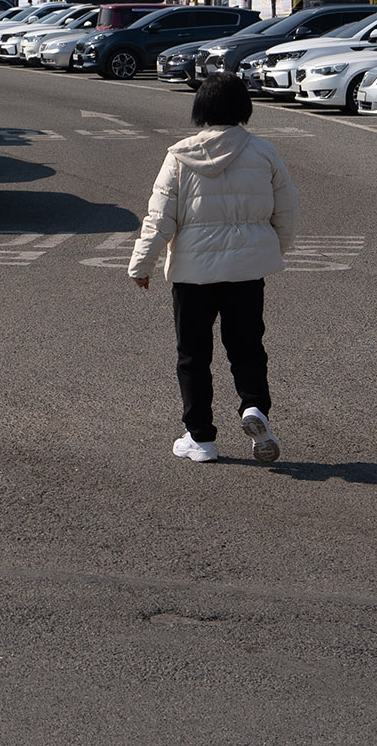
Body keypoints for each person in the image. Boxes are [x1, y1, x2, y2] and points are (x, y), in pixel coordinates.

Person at [126, 76, 297, 463]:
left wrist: (143, 263)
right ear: (244, 109)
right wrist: (268, 249)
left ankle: (201, 438)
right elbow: (286, 213)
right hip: (246, 273)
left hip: (193, 275)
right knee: (247, 347)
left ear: (200, 110)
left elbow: (160, 217)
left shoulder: (179, 156)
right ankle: (254, 407)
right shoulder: (263, 152)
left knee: (193, 354)